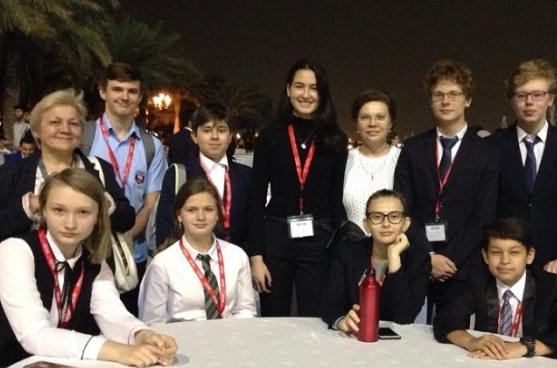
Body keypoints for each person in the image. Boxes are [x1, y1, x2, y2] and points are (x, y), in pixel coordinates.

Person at [0, 169, 177, 368]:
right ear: (43, 210)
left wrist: (141, 334)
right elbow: (34, 334)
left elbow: (111, 312)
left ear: (98, 216)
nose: (70, 223)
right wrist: (118, 351)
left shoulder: (94, 260)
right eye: (59, 210)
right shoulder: (14, 250)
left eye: (83, 212)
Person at [394, 59, 498, 320]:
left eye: (454, 94)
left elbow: (484, 214)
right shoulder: (413, 149)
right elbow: (403, 207)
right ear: (430, 101)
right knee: (409, 334)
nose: (446, 101)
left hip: (461, 266)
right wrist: (428, 255)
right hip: (417, 259)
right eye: (438, 95)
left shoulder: (486, 152)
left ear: (468, 100)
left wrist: (448, 259)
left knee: (452, 335)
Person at [248, 59, 348, 317]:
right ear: (288, 90)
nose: (306, 94)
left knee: (314, 319)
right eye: (299, 86)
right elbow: (255, 199)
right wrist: (256, 257)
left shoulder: (335, 140)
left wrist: (340, 251)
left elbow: (335, 200)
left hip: (318, 238)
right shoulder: (270, 137)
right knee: (274, 317)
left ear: (322, 93)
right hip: (276, 236)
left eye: (313, 88)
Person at [433, 217, 557, 359]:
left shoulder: (550, 285)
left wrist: (524, 347)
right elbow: (445, 319)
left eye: (514, 253)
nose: (505, 260)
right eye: (496, 253)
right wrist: (471, 341)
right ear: (485, 256)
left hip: (533, 364)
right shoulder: (478, 280)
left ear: (529, 255)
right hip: (488, 362)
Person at [0, 90, 134, 245]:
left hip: (89, 259)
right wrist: (30, 206)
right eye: (55, 122)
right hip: (26, 259)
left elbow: (127, 220)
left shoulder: (99, 169)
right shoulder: (10, 173)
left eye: (73, 124)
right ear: (37, 131)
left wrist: (100, 204)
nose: (65, 130)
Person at [491, 60, 557, 275]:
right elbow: (484, 207)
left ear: (550, 99)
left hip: (552, 262)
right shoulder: (493, 146)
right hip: (503, 260)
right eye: (521, 95)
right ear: (512, 101)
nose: (529, 102)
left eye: (537, 95)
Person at [87, 62, 168, 315]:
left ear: (140, 96)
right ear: (103, 91)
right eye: (117, 89)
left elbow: (150, 204)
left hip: (133, 256)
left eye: (132, 91)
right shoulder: (83, 138)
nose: (125, 96)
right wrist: (101, 244)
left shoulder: (151, 146)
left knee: (129, 325)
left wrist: (122, 241)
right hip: (87, 253)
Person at [139, 178, 256, 324]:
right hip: (180, 337)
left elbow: (246, 309)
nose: (201, 217)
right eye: (191, 210)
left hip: (230, 334)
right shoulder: (162, 264)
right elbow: (153, 322)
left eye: (208, 209)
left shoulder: (237, 256)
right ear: (179, 215)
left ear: (218, 214)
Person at [321, 189, 431, 332]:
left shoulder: (419, 260)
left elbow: (402, 317)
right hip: (353, 337)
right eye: (377, 217)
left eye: (394, 216)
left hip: (398, 340)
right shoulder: (348, 252)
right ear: (366, 224)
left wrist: (394, 258)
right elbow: (329, 304)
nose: (386, 224)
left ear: (405, 223)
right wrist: (341, 321)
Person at [156, 102, 251, 252]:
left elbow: (253, 224)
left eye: (221, 130)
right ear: (194, 136)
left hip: (236, 259)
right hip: (189, 259)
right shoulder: (179, 175)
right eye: (207, 130)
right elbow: (165, 224)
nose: (215, 137)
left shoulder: (246, 176)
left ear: (230, 136)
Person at [343, 89, 401, 231]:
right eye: (365, 117)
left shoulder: (403, 160)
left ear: (391, 123)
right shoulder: (344, 161)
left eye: (380, 117)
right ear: (357, 123)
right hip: (352, 243)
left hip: (396, 244)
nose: (372, 123)